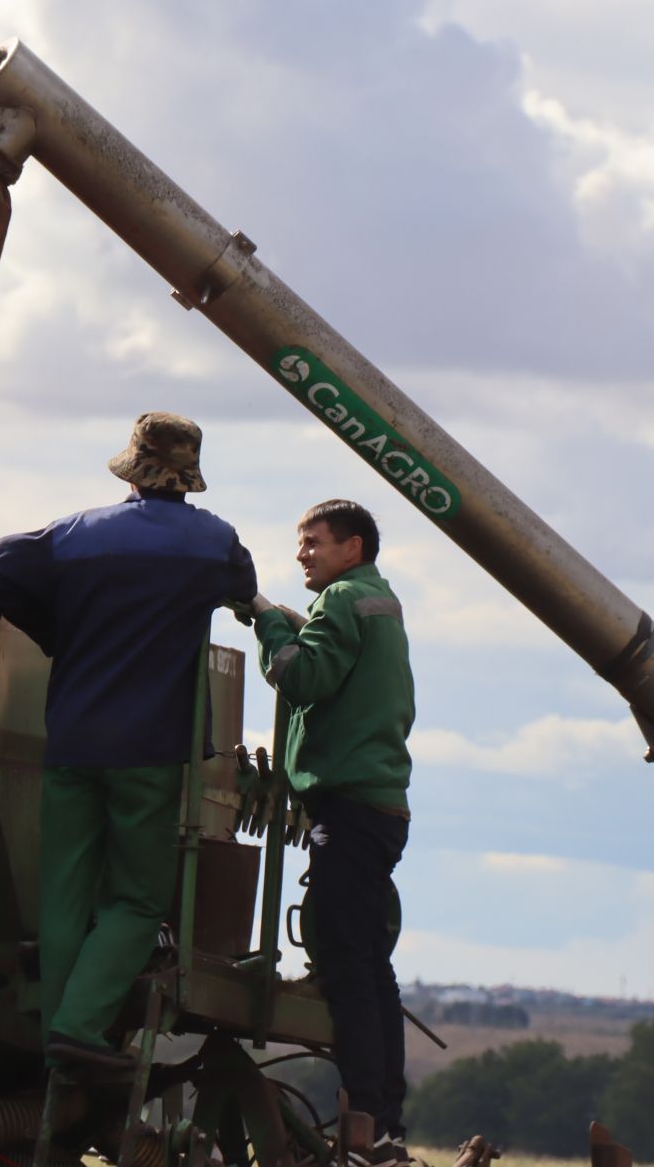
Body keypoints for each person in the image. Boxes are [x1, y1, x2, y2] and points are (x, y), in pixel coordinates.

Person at [0, 412, 256, 1072]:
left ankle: (51, 1041)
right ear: (189, 475)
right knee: (134, 899)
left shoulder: (75, 534)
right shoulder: (213, 541)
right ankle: (79, 1029)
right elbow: (242, 590)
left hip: (72, 740)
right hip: (150, 749)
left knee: (64, 894)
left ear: (132, 468)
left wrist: (58, 633)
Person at [248, 499, 415, 1165]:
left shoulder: (344, 598)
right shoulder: (376, 600)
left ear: (353, 546)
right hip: (377, 806)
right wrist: (285, 619)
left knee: (349, 969)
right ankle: (385, 1119)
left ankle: (365, 1119)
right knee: (372, 969)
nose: (302, 553)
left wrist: (265, 623)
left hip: (346, 808)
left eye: (313, 541)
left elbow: (306, 674)